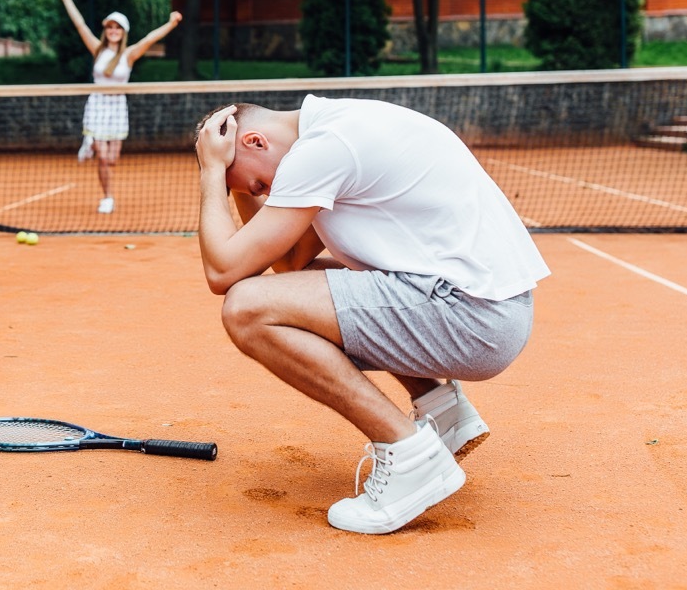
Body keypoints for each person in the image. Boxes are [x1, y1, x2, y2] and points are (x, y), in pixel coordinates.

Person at [193, 96, 550, 534]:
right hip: (484, 309)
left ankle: (411, 456)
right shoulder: (337, 127)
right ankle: (443, 411)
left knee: (247, 309)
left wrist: (213, 173)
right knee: (293, 289)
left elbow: (224, 272)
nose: (262, 195)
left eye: (257, 185)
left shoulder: (324, 149)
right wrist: (240, 180)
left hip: (473, 320)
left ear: (255, 141)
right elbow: (289, 264)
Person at [56, 0, 182, 214]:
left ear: (123, 32)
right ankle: (107, 196)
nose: (113, 31)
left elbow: (150, 39)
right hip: (97, 105)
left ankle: (91, 143)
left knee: (112, 159)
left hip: (117, 107)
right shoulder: (97, 49)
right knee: (103, 158)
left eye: (118, 28)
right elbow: (80, 24)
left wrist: (171, 23)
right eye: (110, 27)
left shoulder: (129, 55)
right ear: (106, 30)